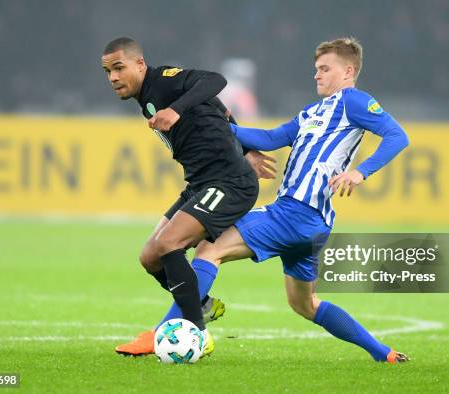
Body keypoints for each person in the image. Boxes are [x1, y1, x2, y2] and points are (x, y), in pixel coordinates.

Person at [117, 37, 410, 363]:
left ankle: (167, 329)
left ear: (349, 70)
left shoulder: (354, 102)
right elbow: (271, 138)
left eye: (325, 69)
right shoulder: (312, 112)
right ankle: (383, 354)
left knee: (209, 249)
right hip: (309, 226)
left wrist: (361, 172)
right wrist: (217, 126)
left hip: (296, 212)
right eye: (316, 69)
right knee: (305, 305)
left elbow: (398, 135)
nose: (317, 75)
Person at [101, 37, 272, 358]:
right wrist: (246, 148)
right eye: (108, 71)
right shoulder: (146, 98)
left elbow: (216, 82)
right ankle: (201, 304)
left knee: (169, 244)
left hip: (229, 182)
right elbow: (217, 108)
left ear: (140, 64)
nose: (112, 78)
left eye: (119, 68)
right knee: (150, 257)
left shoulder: (164, 81)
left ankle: (197, 331)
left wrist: (174, 110)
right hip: (200, 183)